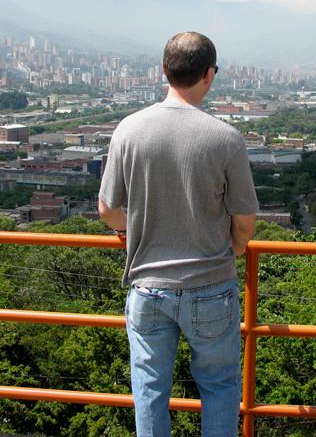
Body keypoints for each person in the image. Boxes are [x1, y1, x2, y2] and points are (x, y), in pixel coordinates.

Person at [98, 31, 259, 437]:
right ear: (209, 74)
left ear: (164, 71)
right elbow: (244, 221)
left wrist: (131, 230)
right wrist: (235, 248)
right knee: (219, 385)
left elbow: (107, 209)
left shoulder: (129, 130)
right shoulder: (225, 138)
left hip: (147, 286)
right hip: (210, 284)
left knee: (149, 388)